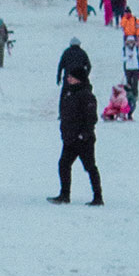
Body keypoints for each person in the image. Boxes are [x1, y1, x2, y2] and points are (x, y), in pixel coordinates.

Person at [48, 67, 102, 206]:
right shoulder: (69, 93)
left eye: (71, 77)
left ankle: (98, 197)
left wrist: (83, 135)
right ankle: (64, 195)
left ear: (79, 79)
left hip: (84, 140)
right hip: (69, 138)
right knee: (63, 165)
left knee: (90, 167)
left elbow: (91, 118)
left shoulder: (86, 95)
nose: (68, 79)